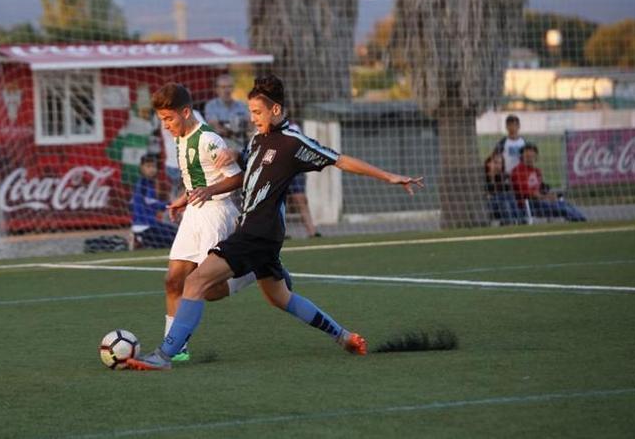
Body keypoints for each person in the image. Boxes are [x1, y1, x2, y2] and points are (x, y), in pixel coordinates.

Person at [126, 75, 424, 371]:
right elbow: (252, 161)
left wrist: (389, 177)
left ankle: (164, 356)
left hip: (258, 232)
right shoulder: (257, 139)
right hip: (260, 236)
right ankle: (343, 336)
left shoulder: (294, 143)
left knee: (195, 282)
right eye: (250, 112)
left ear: (276, 110)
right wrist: (235, 155)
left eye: (257, 112)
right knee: (281, 298)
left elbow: (340, 160)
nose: (252, 118)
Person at [152, 82, 257, 362]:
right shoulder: (180, 137)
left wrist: (208, 191)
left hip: (217, 213)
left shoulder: (209, 140)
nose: (165, 125)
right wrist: (183, 199)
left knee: (206, 289)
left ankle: (248, 274)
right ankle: (177, 347)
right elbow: (198, 181)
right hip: (194, 212)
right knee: (173, 281)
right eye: (162, 119)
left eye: (168, 119)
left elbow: (237, 178)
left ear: (186, 112)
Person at [511, 143, 586, 222]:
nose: (530, 159)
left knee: (566, 204)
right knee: (563, 209)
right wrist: (546, 197)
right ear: (522, 157)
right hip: (529, 205)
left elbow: (540, 189)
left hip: (541, 200)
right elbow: (528, 193)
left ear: (536, 157)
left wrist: (550, 195)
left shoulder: (537, 171)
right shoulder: (518, 171)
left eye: (532, 157)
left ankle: (583, 222)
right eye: (527, 157)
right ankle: (581, 223)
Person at [131, 154, 178, 249]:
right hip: (144, 226)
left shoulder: (149, 182)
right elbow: (151, 203)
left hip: (153, 224)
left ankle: (142, 240)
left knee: (177, 234)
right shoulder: (143, 183)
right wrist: (170, 204)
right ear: (141, 168)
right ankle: (139, 239)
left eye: (153, 166)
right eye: (148, 166)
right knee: (175, 240)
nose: (152, 169)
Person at [285, 120, 320, 238]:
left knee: (301, 199)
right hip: (279, 168)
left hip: (295, 168)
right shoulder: (267, 129)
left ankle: (312, 231)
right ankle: (280, 233)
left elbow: (300, 146)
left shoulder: (294, 127)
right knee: (278, 201)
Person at [204, 74, 251, 150]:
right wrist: (238, 128)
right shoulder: (211, 106)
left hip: (240, 148)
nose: (227, 90)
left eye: (229, 86)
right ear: (217, 89)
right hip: (219, 148)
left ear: (233, 88)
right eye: (223, 87)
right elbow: (216, 127)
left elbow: (250, 126)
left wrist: (225, 127)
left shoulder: (242, 106)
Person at [484, 151, 523, 225]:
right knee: (505, 196)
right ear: (488, 163)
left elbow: (508, 192)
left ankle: (510, 225)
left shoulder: (504, 177)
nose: (498, 165)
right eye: (495, 162)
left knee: (505, 203)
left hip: (501, 207)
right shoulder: (481, 177)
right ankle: (521, 221)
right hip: (488, 206)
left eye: (500, 163)